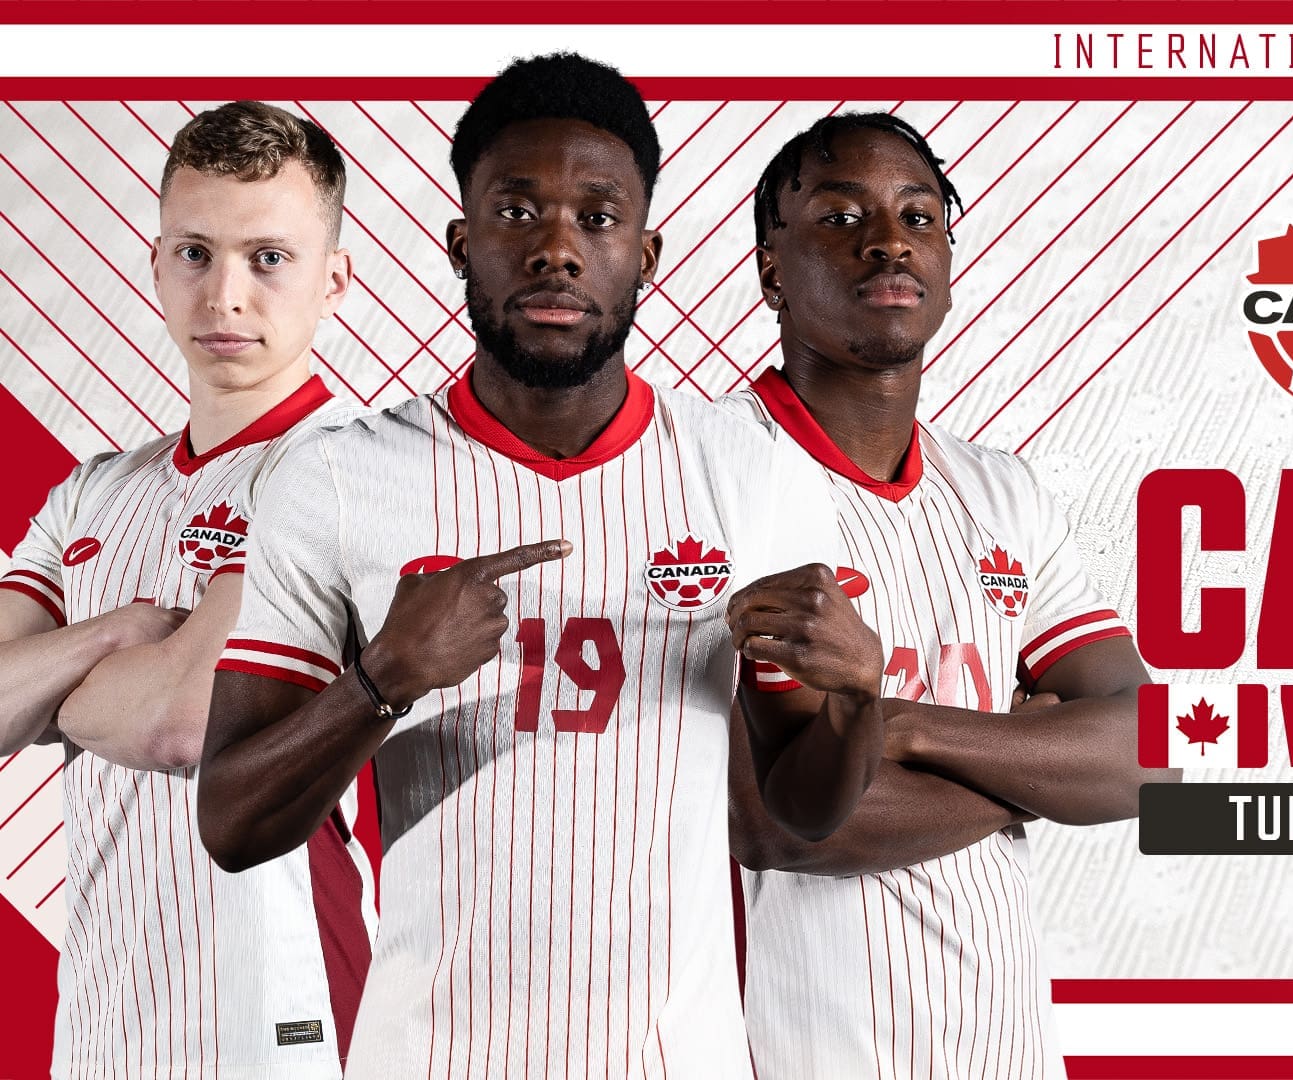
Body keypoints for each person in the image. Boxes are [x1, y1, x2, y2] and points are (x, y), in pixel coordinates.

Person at [195, 54, 884, 1078]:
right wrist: (383, 680)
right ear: (462, 244)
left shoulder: (749, 468)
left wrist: (859, 696)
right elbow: (234, 824)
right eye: (518, 214)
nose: (557, 250)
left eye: (597, 219)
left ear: (646, 252)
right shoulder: (334, 478)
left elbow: (798, 815)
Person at [725, 112, 1175, 1079]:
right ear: (770, 273)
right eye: (841, 216)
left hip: (1006, 1049)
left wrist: (901, 727)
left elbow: (1159, 754)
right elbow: (785, 822)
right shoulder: (704, 480)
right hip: (795, 1052)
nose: (887, 239)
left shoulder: (1001, 493)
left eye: (917, 215)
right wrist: (1027, 771)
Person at [0, 101, 372, 1076]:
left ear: (335, 279)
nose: (226, 298)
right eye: (197, 253)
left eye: (269, 258)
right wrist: (116, 633)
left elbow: (183, 719)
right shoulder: (92, 492)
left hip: (282, 1025)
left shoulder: (351, 478)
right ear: (155, 265)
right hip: (101, 1029)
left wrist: (47, 687)